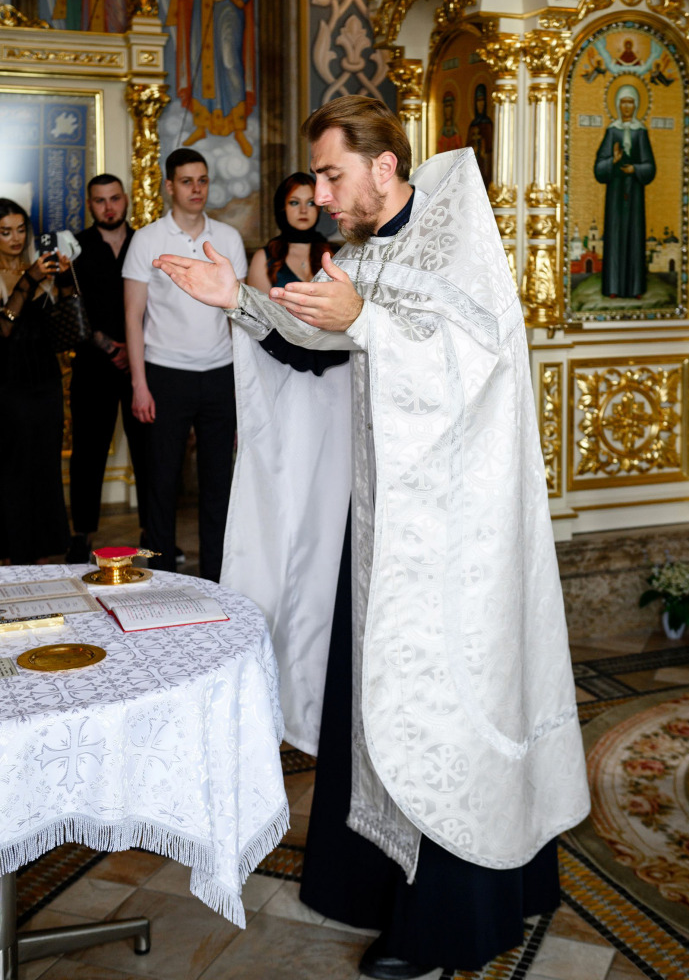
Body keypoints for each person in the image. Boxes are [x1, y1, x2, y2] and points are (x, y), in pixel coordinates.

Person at [153, 96, 590, 976]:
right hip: (382, 523)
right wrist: (236, 298)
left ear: (384, 167)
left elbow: (475, 365)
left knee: (445, 714)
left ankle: (448, 924)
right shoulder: (368, 248)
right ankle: (371, 885)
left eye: (331, 174)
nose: (318, 192)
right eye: (316, 176)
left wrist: (364, 319)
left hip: (452, 545)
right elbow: (329, 339)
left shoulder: (455, 239)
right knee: (373, 704)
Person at [223, 172, 351, 755]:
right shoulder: (264, 257)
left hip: (332, 400)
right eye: (294, 201)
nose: (304, 209)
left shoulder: (341, 258)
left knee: (322, 519)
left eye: (311, 201)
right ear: (282, 207)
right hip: (282, 394)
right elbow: (255, 326)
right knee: (278, 511)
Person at [123, 148, 247, 582]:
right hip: (164, 373)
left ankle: (216, 579)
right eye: (187, 181)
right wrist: (140, 384)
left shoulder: (228, 239)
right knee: (162, 486)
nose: (197, 189)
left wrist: (241, 387)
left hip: (219, 374)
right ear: (170, 186)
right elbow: (132, 317)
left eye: (203, 180)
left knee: (218, 486)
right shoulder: (148, 239)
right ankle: (159, 580)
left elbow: (238, 317)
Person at [63, 175, 149, 564]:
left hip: (142, 365)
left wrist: (132, 350)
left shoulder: (145, 242)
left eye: (115, 198)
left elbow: (157, 303)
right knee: (88, 453)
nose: (109, 207)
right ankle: (82, 536)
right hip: (92, 365)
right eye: (100, 201)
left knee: (149, 451)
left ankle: (154, 529)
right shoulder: (75, 247)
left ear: (126, 199)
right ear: (89, 204)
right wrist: (106, 344)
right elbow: (68, 304)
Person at [0, 200, 70, 564]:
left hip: (47, 384)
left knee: (45, 467)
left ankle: (41, 553)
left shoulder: (40, 272)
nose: (15, 238)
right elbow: (4, 327)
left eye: (20, 229)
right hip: (9, 388)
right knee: (14, 469)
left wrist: (66, 279)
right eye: (5, 231)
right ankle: (13, 553)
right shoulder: (15, 274)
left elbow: (67, 333)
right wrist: (28, 279)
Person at [165, 0, 255, 155]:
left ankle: (237, 127)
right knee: (203, 65)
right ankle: (203, 124)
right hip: (201, 16)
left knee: (228, 62)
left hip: (227, 13)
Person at [594, 85, 656, 299]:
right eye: (623, 102)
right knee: (615, 236)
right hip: (616, 194)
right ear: (618, 105)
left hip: (636, 194)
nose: (627, 106)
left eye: (630, 102)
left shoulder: (641, 132)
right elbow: (599, 168)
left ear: (636, 105)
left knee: (635, 237)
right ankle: (613, 287)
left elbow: (650, 166)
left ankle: (636, 288)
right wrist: (614, 161)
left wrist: (636, 169)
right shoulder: (613, 131)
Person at [465, 82, 493, 189]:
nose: (480, 104)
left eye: (482, 100)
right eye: (478, 101)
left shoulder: (488, 123)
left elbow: (490, 151)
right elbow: (466, 150)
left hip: (484, 168)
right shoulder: (472, 125)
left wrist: (483, 146)